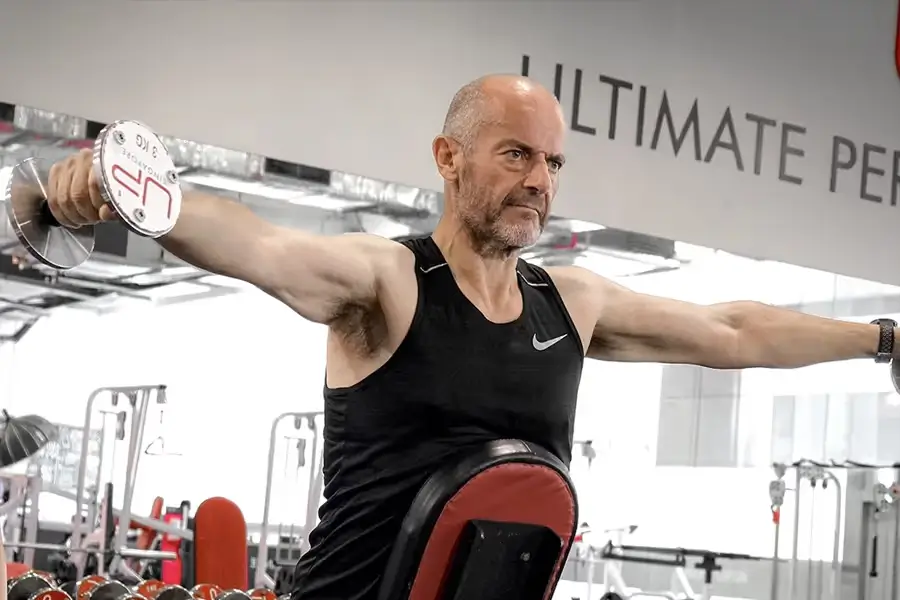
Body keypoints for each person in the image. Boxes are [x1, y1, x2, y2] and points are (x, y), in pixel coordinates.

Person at [48, 74, 896, 599]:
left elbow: (733, 329)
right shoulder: (388, 281)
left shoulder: (571, 302)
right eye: (517, 155)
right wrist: (143, 197)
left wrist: (883, 336)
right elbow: (264, 248)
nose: (539, 182)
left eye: (554, 164)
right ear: (448, 158)